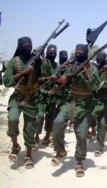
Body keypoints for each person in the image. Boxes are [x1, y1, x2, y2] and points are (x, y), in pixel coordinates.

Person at [51, 44, 100, 177]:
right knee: (57, 123)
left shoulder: (93, 69)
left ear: (86, 54)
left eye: (80, 53)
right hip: (70, 102)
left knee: (81, 135)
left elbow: (94, 87)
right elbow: (65, 79)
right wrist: (62, 80)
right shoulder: (72, 67)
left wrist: (87, 73)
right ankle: (60, 151)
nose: (78, 55)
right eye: (76, 53)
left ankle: (79, 161)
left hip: (85, 105)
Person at [3, 36, 51, 169]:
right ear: (19, 47)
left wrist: (43, 56)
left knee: (29, 128)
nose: (28, 48)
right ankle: (15, 146)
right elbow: (7, 82)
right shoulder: (14, 61)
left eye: (30, 46)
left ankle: (29, 154)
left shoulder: (37, 61)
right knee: (12, 120)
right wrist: (23, 72)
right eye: (25, 46)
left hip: (32, 99)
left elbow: (48, 74)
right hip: (17, 98)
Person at [91, 53, 107, 157]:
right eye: (98, 59)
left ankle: (99, 146)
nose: (99, 60)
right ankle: (91, 130)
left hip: (104, 101)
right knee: (88, 120)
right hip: (91, 100)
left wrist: (106, 73)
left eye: (102, 59)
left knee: (102, 124)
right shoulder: (93, 69)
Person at [35, 44, 59, 147]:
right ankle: (36, 136)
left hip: (52, 94)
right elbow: (45, 73)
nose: (53, 55)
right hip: (41, 93)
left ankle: (47, 136)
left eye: (54, 53)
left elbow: (57, 77)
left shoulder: (57, 66)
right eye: (50, 53)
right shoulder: (40, 63)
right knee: (39, 116)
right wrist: (43, 56)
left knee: (50, 117)